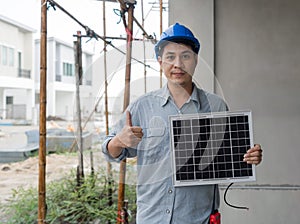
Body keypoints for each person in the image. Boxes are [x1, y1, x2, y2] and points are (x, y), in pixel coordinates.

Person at [102, 23, 263, 224]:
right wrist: (118, 141)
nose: (177, 64)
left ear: (195, 60)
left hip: (198, 218)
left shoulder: (215, 106)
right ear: (160, 62)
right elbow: (109, 151)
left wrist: (249, 156)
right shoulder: (142, 106)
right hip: (152, 218)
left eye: (185, 56)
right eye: (170, 57)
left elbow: (229, 156)